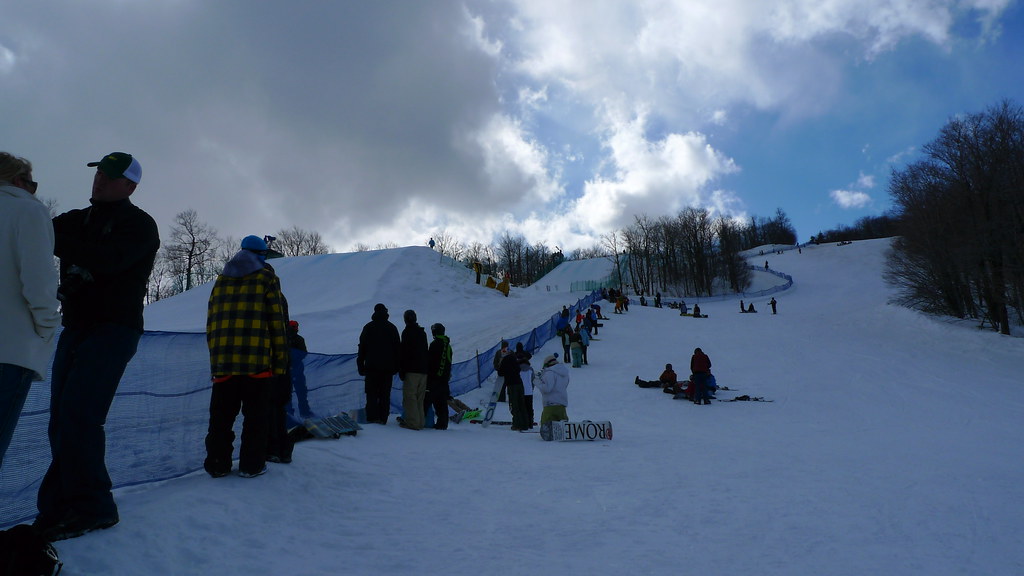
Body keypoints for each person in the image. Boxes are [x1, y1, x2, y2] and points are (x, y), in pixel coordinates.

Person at [35, 152, 159, 541]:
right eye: (99, 172)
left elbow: (106, 261)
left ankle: (94, 508)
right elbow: (34, 228)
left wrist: (52, 239)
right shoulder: (76, 220)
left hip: (114, 330)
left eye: (110, 175)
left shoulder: (139, 225)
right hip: (76, 328)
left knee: (79, 416)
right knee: (61, 420)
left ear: (130, 186)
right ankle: (59, 508)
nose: (100, 179)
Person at [204, 235, 289, 480]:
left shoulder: (220, 281)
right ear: (261, 255)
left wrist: (216, 359)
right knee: (255, 418)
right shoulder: (267, 278)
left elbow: (211, 323)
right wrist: (280, 364)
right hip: (256, 363)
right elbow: (276, 324)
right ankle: (251, 465)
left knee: (220, 418)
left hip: (223, 365)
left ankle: (217, 464)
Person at [0, 152, 60, 471]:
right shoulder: (27, 209)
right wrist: (46, 330)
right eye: (31, 184)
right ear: (19, 180)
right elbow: (39, 282)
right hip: (9, 351)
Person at [357, 303, 401, 425]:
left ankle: (372, 418)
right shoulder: (392, 328)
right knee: (385, 395)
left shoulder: (368, 327)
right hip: (387, 369)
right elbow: (398, 349)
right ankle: (383, 419)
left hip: (371, 368)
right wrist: (396, 367)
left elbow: (362, 348)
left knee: (371, 394)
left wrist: (360, 365)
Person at [398, 310, 428, 430]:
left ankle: (413, 423)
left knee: (410, 398)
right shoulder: (422, 332)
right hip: (423, 370)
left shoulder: (406, 332)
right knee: (420, 398)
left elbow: (404, 353)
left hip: (412, 370)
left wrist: (402, 369)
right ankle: (420, 422)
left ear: (405, 319)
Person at [425, 323, 453, 430]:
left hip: (433, 378)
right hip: (444, 379)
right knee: (442, 402)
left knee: (427, 401)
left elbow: (429, 361)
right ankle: (443, 423)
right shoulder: (448, 346)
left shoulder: (434, 344)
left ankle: (421, 420)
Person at [285, 320, 312, 420]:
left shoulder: (283, 338)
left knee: (288, 392)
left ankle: (289, 413)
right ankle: (304, 412)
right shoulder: (299, 339)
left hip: (287, 370)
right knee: (301, 392)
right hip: (296, 370)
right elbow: (304, 354)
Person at [498, 344, 529, 431]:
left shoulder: (505, 360)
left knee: (514, 405)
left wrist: (501, 364)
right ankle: (525, 423)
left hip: (512, 385)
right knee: (521, 404)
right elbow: (518, 369)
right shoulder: (514, 358)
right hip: (519, 383)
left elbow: (500, 372)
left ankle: (517, 424)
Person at [536, 354, 570, 428]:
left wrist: (537, 382)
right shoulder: (564, 373)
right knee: (562, 429)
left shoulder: (550, 373)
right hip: (562, 405)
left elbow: (547, 389)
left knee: (547, 429)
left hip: (550, 405)